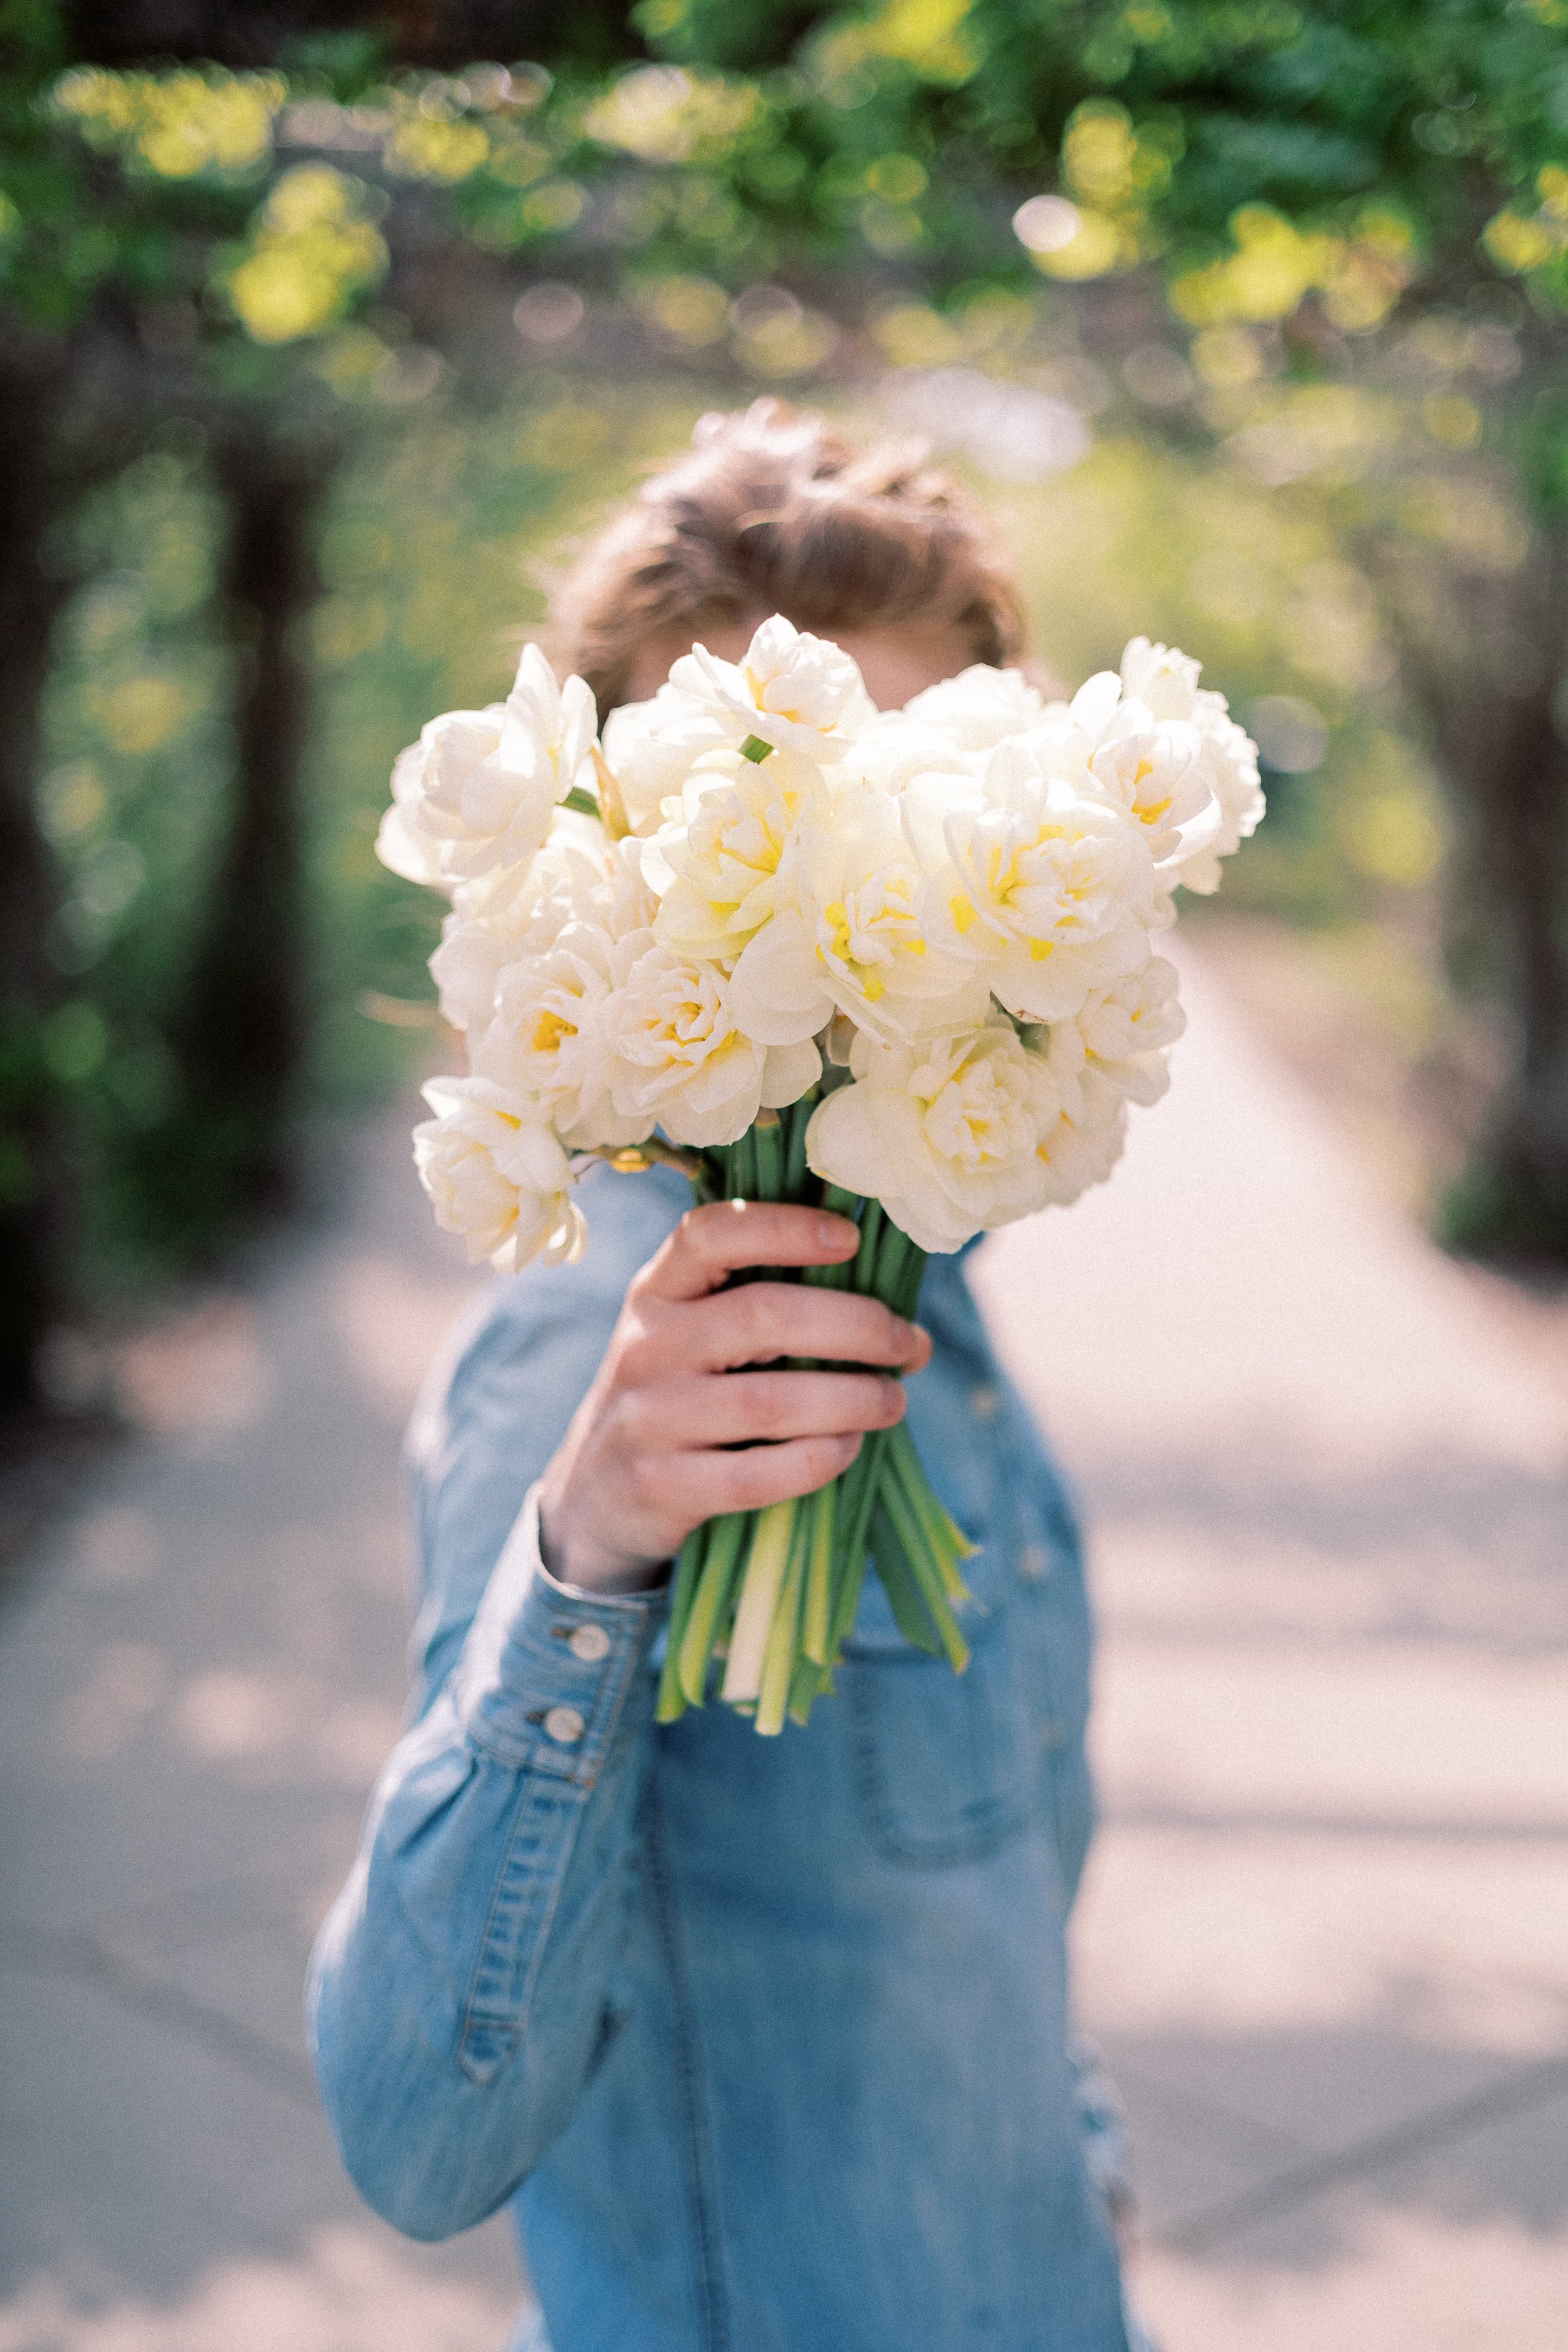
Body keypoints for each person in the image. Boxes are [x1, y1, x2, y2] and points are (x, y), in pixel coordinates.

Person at [308, 401, 1142, 2352]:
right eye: (761, 843)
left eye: (910, 820)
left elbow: (994, 1888)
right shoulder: (588, 1352)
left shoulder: (926, 1271)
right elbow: (414, 2135)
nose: (846, 934)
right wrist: (588, 1544)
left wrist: (1069, 2152)